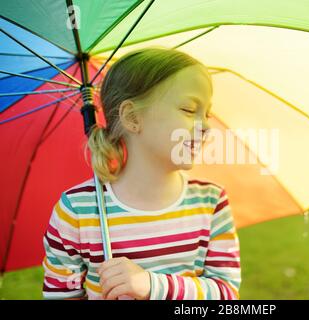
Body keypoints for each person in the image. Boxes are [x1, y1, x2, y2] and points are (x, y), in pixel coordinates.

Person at [42, 47, 241, 300]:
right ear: (133, 117)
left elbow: (227, 294)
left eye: (207, 113)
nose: (207, 127)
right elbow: (61, 295)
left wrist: (151, 286)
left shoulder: (211, 202)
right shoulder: (77, 211)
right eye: (190, 110)